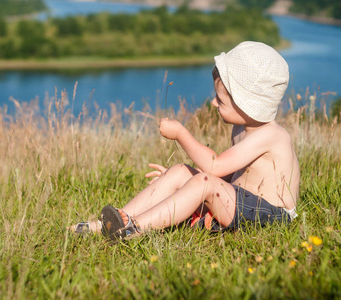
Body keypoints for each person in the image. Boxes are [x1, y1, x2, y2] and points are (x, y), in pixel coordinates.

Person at [71, 41, 300, 241]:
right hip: (239, 205)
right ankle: (111, 223)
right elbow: (226, 175)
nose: (213, 103)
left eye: (220, 100)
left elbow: (215, 167)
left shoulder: (270, 135)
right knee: (182, 171)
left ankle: (134, 228)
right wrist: (180, 181)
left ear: (245, 103)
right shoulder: (241, 128)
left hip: (272, 215)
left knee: (204, 181)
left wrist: (181, 133)